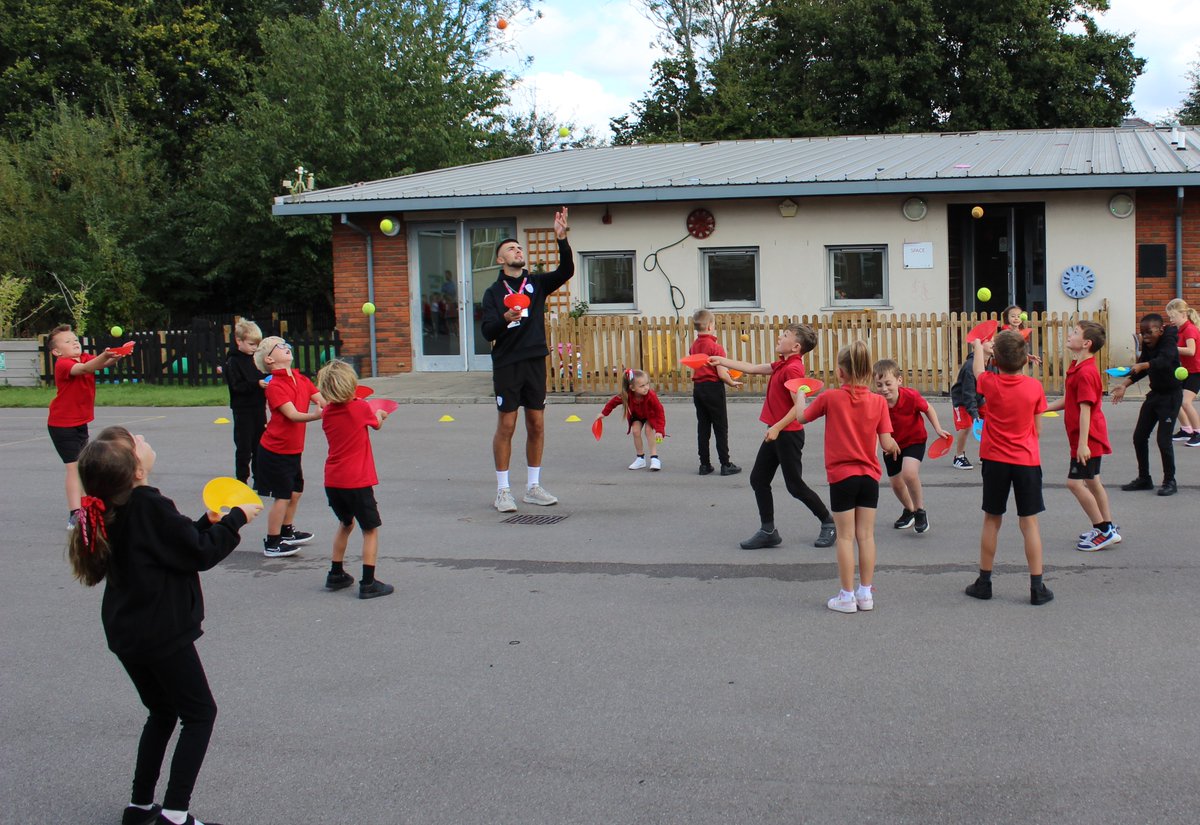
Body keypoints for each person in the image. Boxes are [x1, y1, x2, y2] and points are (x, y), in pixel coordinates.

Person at [67, 426, 262, 825]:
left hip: (128, 630)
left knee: (161, 710)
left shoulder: (112, 505)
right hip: (160, 632)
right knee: (200, 713)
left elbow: (169, 545)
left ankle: (139, 807)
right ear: (136, 469)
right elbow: (199, 554)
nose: (143, 439)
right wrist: (235, 520)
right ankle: (175, 814)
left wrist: (206, 523)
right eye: (137, 441)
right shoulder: (149, 504)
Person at [709, 323, 837, 550]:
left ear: (796, 346)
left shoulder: (793, 369)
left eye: (785, 335)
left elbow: (798, 406)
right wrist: (721, 361)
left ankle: (828, 522)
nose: (780, 336)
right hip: (777, 432)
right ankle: (768, 531)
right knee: (758, 479)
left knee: (795, 486)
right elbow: (752, 368)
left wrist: (777, 427)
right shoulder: (783, 363)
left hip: (788, 435)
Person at [481, 208, 573, 513]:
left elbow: (567, 271)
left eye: (519, 247)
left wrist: (561, 239)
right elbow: (486, 331)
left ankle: (533, 487)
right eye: (511, 248)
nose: (517, 250)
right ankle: (503, 491)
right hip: (507, 362)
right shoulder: (493, 293)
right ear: (500, 259)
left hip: (535, 360)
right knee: (507, 424)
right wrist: (505, 319)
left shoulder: (536, 284)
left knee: (536, 424)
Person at [800, 342, 899, 613]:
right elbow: (887, 441)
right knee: (866, 536)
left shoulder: (830, 398)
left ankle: (846, 596)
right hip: (869, 476)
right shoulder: (879, 401)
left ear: (840, 372)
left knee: (845, 537)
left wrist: (799, 394)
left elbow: (801, 417)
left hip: (842, 476)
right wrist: (892, 447)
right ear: (869, 371)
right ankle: (865, 593)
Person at [964, 330, 1054, 606]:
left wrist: (979, 345)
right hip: (1026, 460)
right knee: (1029, 523)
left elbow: (978, 370)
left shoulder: (990, 383)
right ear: (1025, 360)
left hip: (995, 459)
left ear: (996, 360)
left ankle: (985, 582)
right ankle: (1037, 587)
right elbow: (1037, 428)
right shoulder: (1034, 388)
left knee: (992, 519)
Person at [315, 360, 393, 599]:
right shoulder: (360, 409)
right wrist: (380, 413)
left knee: (346, 524)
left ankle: (335, 573)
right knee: (370, 529)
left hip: (334, 481)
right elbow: (376, 424)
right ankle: (368, 582)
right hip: (357, 481)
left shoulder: (327, 412)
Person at [1045, 321, 1118, 550]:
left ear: (1086, 343)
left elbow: (1086, 409)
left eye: (1075, 333)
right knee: (1093, 481)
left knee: (1074, 484)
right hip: (1085, 438)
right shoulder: (1078, 366)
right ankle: (1107, 527)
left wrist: (1083, 444)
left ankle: (1104, 530)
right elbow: (1070, 401)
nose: (1069, 334)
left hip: (1088, 439)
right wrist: (1040, 408)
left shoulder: (1086, 372)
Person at [46, 324, 122, 528]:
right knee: (73, 468)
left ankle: (86, 507)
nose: (75, 342)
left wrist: (117, 355)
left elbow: (98, 365)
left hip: (80, 422)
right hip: (62, 424)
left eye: (75, 339)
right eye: (68, 341)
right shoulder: (63, 364)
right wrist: (105, 355)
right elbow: (87, 369)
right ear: (56, 351)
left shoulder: (85, 357)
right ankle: (74, 514)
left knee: (83, 466)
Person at [254, 336, 325, 556]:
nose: (286, 348)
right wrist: (316, 416)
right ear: (269, 359)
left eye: (287, 345)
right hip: (275, 451)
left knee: (295, 493)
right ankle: (272, 542)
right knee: (282, 496)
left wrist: (345, 404)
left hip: (293, 450)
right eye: (280, 347)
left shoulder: (300, 379)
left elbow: (322, 400)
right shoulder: (275, 386)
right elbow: (292, 415)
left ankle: (286, 532)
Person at [872, 359, 951, 535]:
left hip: (914, 440)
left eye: (888, 383)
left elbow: (928, 408)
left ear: (899, 381)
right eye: (879, 384)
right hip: (891, 445)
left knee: (909, 473)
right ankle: (910, 510)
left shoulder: (911, 396)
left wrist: (937, 428)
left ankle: (920, 511)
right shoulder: (877, 402)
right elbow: (873, 426)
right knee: (896, 484)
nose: (884, 389)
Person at [1111, 313, 1182, 497]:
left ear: (1160, 330)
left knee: (1163, 441)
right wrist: (1124, 385)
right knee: (1139, 437)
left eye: (1149, 332)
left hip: (1170, 397)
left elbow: (1164, 361)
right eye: (1142, 333)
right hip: (1155, 395)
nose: (1146, 337)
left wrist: (1143, 365)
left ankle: (1169, 481)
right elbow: (1141, 370)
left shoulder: (1169, 342)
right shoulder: (1149, 345)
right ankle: (1144, 478)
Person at [688, 309, 741, 476]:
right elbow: (721, 373)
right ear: (710, 326)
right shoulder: (716, 347)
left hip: (699, 389)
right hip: (713, 388)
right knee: (720, 426)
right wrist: (732, 382)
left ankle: (704, 464)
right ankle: (725, 464)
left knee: (703, 426)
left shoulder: (694, 346)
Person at [222, 319, 267, 486]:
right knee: (244, 447)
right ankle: (241, 480)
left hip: (258, 407)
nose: (254, 348)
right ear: (238, 341)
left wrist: (265, 380)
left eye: (257, 344)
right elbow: (237, 386)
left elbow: (260, 375)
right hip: (243, 409)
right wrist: (257, 384)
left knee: (259, 445)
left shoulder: (254, 358)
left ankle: (259, 479)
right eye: (251, 344)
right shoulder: (233, 361)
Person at [597, 369, 667, 470]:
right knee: (635, 431)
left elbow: (659, 411)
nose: (646, 388)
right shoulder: (626, 395)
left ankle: (654, 458)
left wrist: (660, 430)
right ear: (632, 388)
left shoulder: (650, 395)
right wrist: (604, 413)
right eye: (642, 386)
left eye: (647, 384)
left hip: (650, 415)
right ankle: (640, 459)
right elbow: (613, 402)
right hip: (636, 416)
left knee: (648, 431)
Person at [948, 335, 996, 469]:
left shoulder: (992, 363)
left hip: (979, 399)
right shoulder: (970, 367)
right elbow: (968, 394)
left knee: (990, 423)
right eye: (989, 341)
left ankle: (985, 455)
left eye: (993, 340)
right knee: (966, 427)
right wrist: (974, 415)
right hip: (962, 400)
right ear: (978, 345)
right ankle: (959, 457)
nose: (993, 343)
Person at [1166, 298, 1200, 447]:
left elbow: (1191, 351)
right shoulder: (1180, 330)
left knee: (1185, 402)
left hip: (1197, 371)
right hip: (1186, 371)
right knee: (1175, 399)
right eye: (1169, 317)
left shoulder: (1190, 329)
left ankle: (1198, 432)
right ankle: (1186, 430)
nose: (1171, 319)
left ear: (1183, 314)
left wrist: (1172, 349)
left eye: (1173, 316)